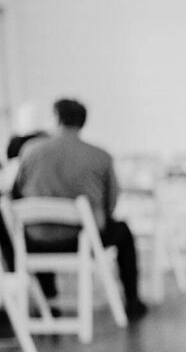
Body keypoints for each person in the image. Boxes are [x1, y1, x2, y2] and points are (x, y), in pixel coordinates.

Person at [13, 99, 148, 320]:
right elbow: (111, 205)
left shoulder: (30, 151)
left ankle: (47, 299)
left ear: (56, 118)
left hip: (36, 240)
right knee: (123, 231)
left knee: (39, 227)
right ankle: (132, 301)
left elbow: (16, 194)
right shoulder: (100, 156)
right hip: (83, 239)